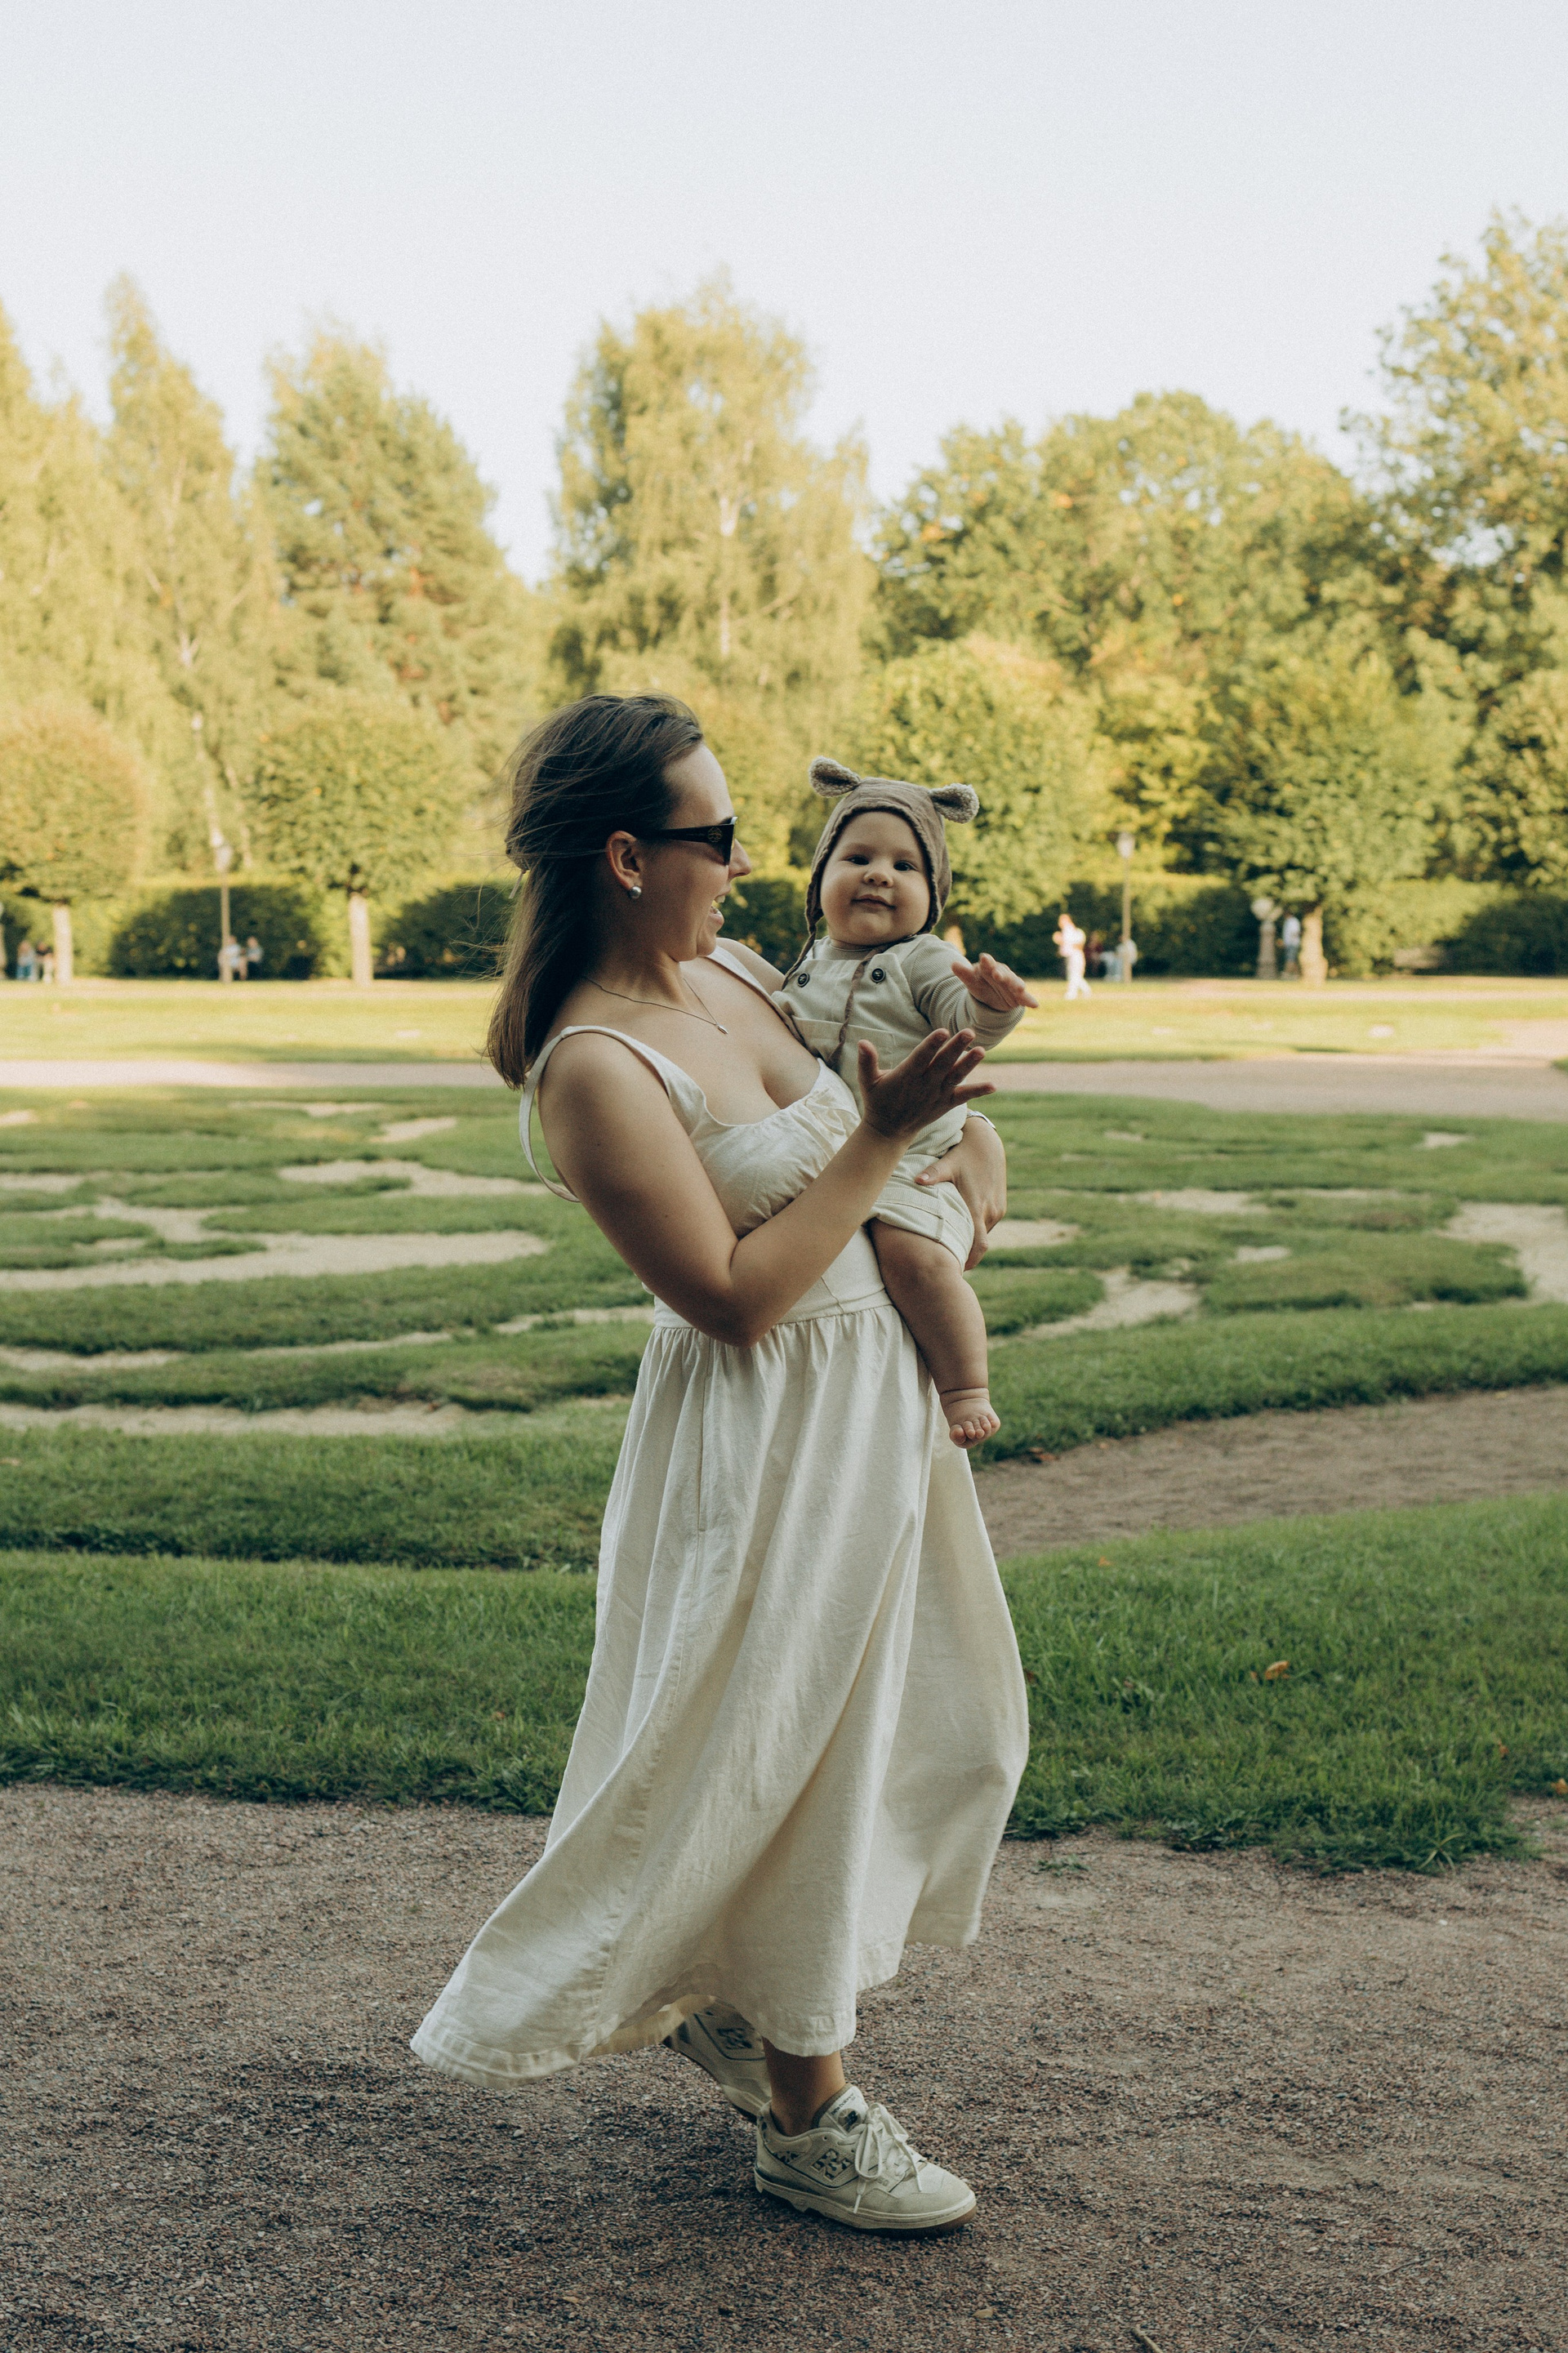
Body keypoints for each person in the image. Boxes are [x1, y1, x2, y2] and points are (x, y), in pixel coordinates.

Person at [411, 694, 1029, 2238]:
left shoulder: (747, 974)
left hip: (870, 1413)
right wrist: (881, 1142)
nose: (750, 863)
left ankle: (737, 2000)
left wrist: (964, 1146)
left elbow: (903, 1116)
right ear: (628, 856)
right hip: (764, 1438)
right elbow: (736, 1295)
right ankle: (810, 2114)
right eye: (719, 834)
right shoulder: (594, 1066)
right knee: (774, 1747)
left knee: (914, 1732)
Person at [773, 755, 1036, 1448]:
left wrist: (990, 1003)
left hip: (916, 1162)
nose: (879, 874)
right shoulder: (804, 963)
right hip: (839, 1162)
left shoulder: (923, 959)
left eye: (905, 865)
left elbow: (963, 1019)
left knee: (913, 1259)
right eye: (857, 857)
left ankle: (965, 1385)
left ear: (933, 892)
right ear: (820, 879)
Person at [1054, 908, 1090, 1000]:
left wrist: (1059, 940)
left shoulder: (1068, 929)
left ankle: (1072, 993)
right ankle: (1086, 990)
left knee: (1074, 975)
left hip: (1075, 955)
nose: (1059, 922)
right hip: (1073, 955)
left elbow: (1070, 944)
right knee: (1075, 975)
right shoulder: (1070, 930)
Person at [1280, 911, 1301, 979]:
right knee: (1293, 959)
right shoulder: (1288, 922)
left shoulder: (1293, 921)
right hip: (1289, 944)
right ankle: (1296, 975)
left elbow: (1295, 933)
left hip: (1292, 944)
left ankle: (1286, 974)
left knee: (1290, 959)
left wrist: (1290, 942)